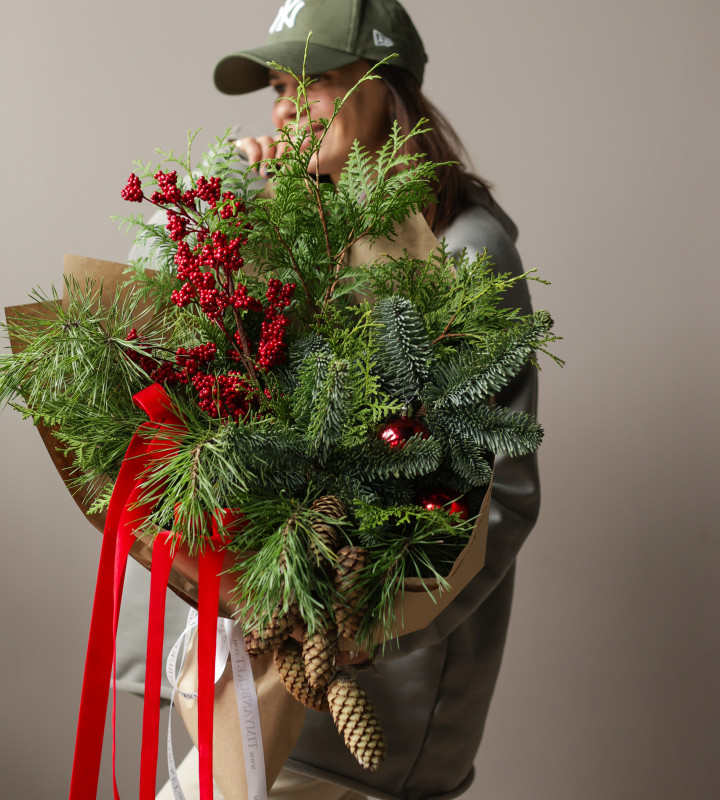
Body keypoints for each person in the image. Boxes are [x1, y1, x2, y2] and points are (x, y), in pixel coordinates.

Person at [117, 1, 541, 798]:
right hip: (240, 672)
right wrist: (215, 216)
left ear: (388, 87)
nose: (285, 107)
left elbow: (498, 495)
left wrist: (357, 629)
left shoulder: (467, 250)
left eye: (318, 81)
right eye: (279, 84)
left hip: (368, 709)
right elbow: (190, 400)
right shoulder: (291, 216)